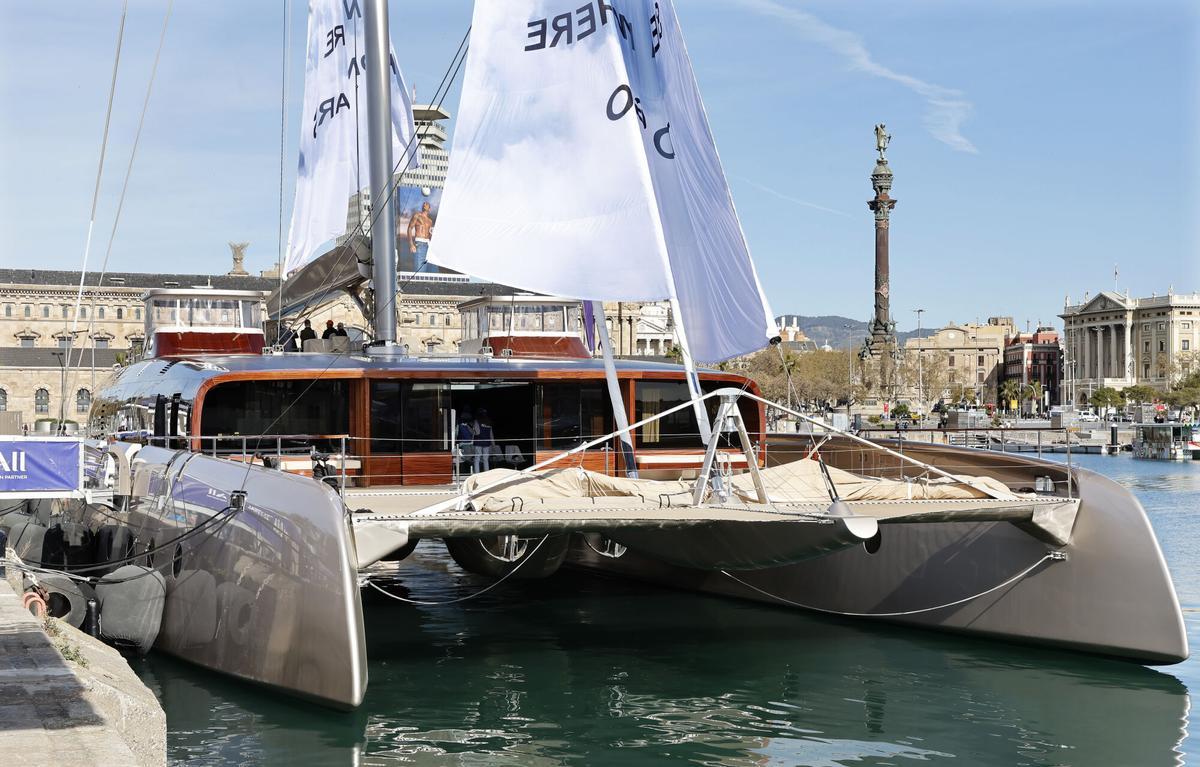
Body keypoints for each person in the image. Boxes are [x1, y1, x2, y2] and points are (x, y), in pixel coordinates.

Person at [407, 201, 434, 272]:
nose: (425, 204)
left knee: (431, 272)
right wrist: (411, 245)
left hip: (429, 245)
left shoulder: (430, 221)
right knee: (419, 272)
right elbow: (409, 228)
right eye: (424, 203)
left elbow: (430, 234)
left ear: (429, 209)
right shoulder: (417, 215)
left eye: (427, 204)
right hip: (420, 244)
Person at [473, 409, 495, 475]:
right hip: (487, 442)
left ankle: (477, 474)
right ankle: (486, 474)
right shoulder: (489, 421)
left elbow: (477, 433)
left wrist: (472, 430)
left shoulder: (476, 421)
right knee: (485, 459)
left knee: (477, 458)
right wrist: (493, 444)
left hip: (478, 441)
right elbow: (491, 434)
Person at [455, 410, 475, 476]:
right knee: (468, 458)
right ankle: (469, 473)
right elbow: (473, 433)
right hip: (467, 443)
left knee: (465, 459)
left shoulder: (460, 424)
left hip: (464, 443)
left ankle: (465, 473)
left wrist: (455, 441)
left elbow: (456, 433)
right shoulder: (469, 424)